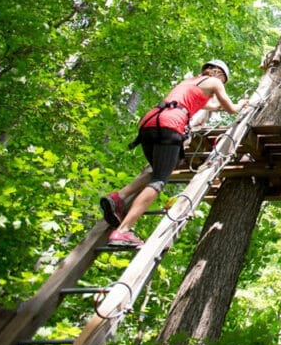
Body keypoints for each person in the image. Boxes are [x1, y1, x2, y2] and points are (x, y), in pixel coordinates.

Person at [100, 59, 248, 248]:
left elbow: (209, 106)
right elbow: (229, 108)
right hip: (170, 125)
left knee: (161, 168)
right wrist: (241, 104)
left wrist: (219, 106)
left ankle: (119, 196)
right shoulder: (215, 82)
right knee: (159, 180)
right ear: (219, 74)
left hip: (150, 122)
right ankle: (123, 231)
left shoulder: (188, 83)